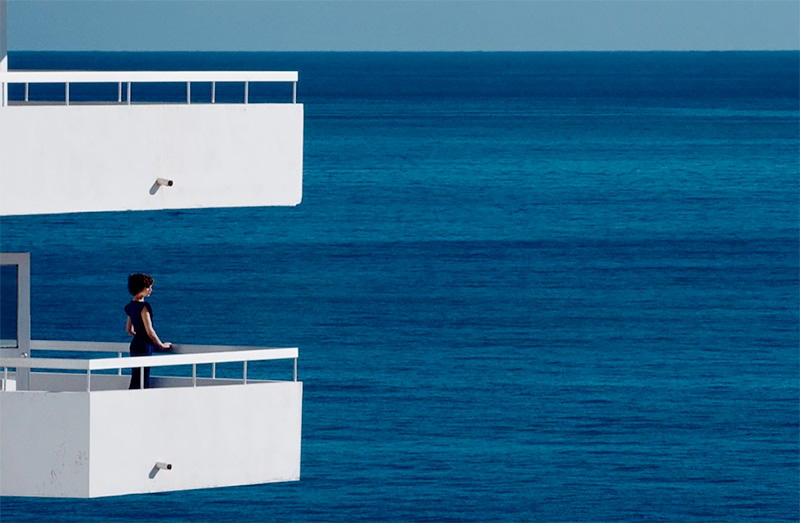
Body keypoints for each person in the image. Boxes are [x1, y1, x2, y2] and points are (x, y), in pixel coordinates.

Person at [125, 273, 171, 389]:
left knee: (136, 376)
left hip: (135, 344)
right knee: (143, 378)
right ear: (140, 288)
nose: (151, 290)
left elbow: (129, 330)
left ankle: (130, 399)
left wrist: (139, 336)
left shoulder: (130, 306)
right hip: (144, 345)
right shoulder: (143, 307)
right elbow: (150, 331)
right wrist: (161, 344)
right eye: (148, 287)